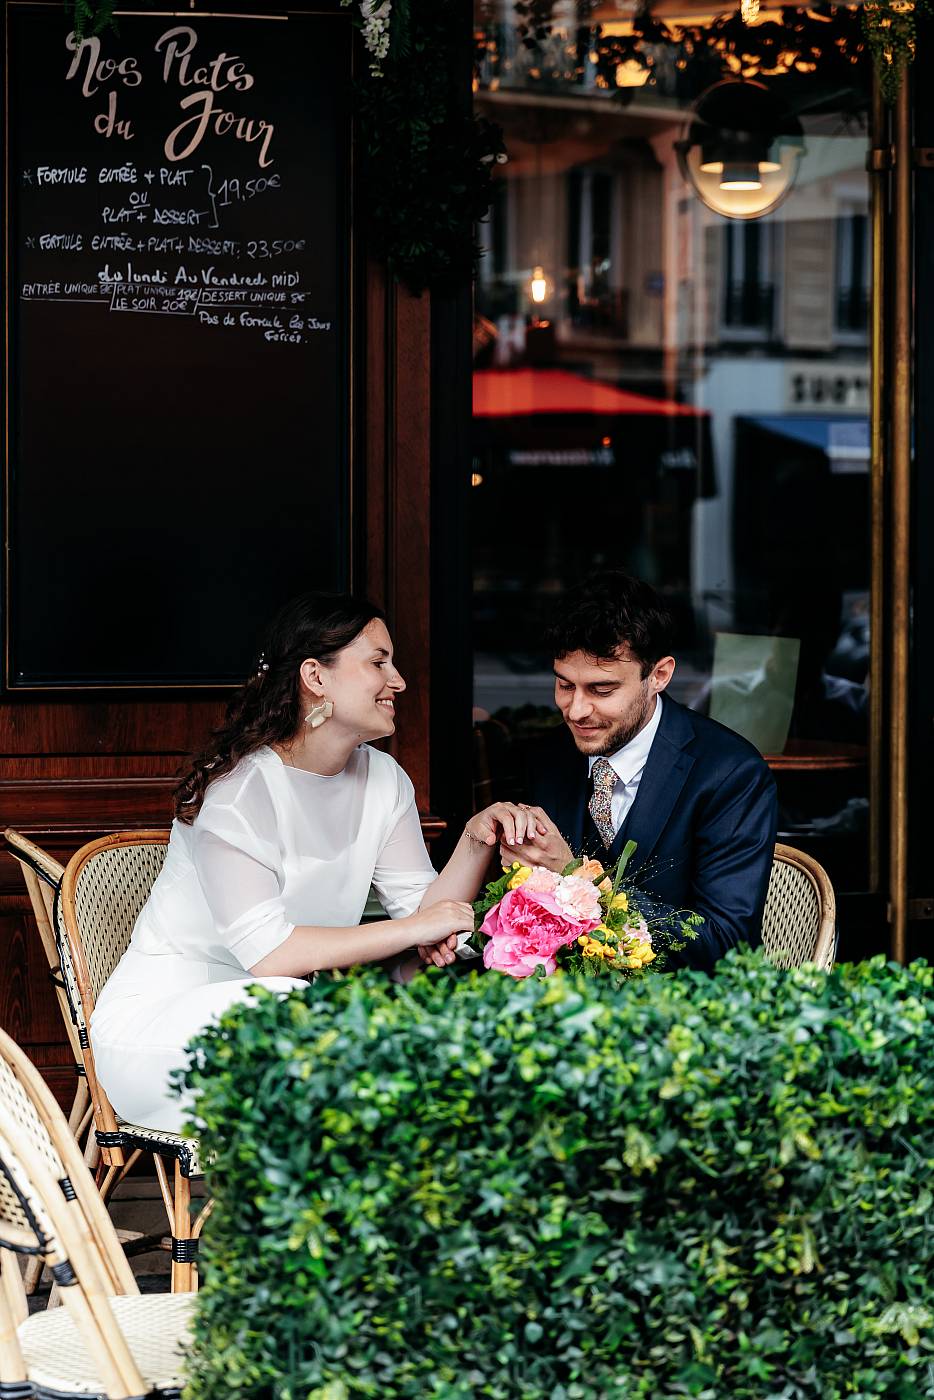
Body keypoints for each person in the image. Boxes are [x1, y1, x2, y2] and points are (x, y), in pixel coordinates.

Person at [91, 593, 535, 1133]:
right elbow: (271, 956)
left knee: (367, 1025)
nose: (398, 681)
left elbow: (426, 914)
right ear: (314, 676)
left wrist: (474, 839)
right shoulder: (238, 788)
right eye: (378, 661)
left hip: (296, 1016)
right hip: (169, 1028)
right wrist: (417, 928)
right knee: (307, 1017)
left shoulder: (384, 779)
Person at [500, 572, 778, 972]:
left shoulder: (730, 774)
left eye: (601, 689)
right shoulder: (546, 758)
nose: (576, 710)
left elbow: (724, 941)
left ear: (659, 675)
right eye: (564, 685)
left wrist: (574, 878)